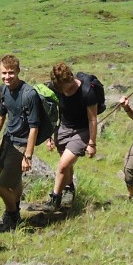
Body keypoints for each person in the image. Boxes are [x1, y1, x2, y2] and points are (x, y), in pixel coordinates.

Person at [0, 55, 43, 232]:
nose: (7, 77)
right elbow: (1, 115)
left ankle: (12, 216)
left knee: (1, 187)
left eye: (11, 73)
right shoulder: (3, 89)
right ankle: (14, 210)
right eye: (3, 73)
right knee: (14, 180)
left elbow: (34, 127)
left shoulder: (29, 94)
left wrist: (28, 155)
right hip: (7, 140)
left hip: (21, 145)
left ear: (18, 71)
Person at [35, 62, 100, 216]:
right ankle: (69, 190)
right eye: (64, 88)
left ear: (71, 76)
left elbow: (93, 119)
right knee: (67, 166)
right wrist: (49, 136)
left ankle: (54, 199)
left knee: (63, 165)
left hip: (82, 131)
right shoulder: (55, 89)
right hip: (63, 129)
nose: (68, 90)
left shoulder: (87, 92)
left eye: (70, 86)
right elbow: (51, 113)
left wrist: (92, 143)